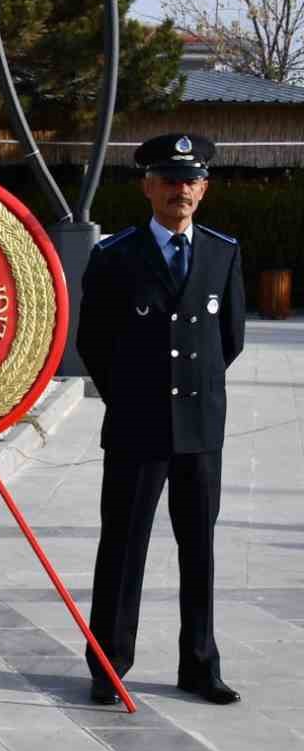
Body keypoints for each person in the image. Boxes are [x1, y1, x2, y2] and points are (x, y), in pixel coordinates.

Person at [77, 133, 245, 705]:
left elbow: (230, 340)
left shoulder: (223, 252)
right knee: (123, 547)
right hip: (137, 427)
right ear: (148, 185)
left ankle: (200, 664)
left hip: (200, 431)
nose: (182, 190)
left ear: (205, 186)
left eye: (192, 180)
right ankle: (109, 665)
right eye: (170, 179)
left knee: (199, 548)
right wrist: (133, 394)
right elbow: (93, 342)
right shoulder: (115, 255)